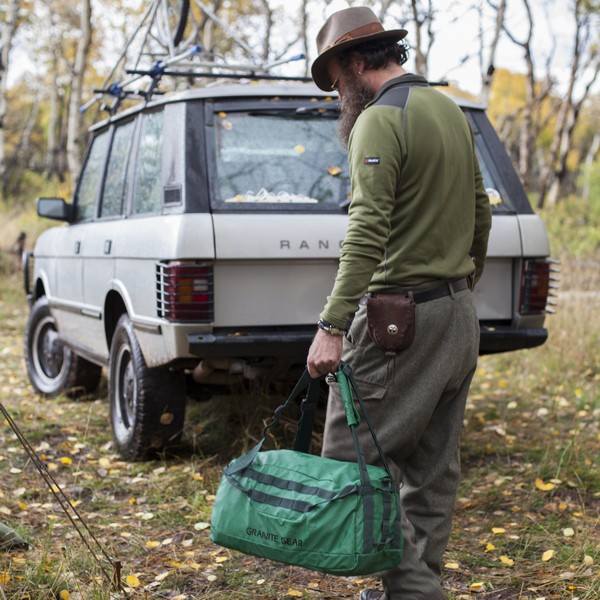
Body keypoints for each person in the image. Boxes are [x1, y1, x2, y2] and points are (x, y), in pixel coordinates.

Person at [306, 6, 492, 600]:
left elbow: (366, 231)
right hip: (458, 315)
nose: (339, 92)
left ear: (357, 62)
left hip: (398, 321)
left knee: (351, 460)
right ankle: (411, 587)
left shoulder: (379, 120)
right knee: (433, 473)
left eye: (336, 78)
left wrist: (333, 324)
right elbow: (480, 211)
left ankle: (418, 594)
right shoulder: (448, 109)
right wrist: (460, 290)